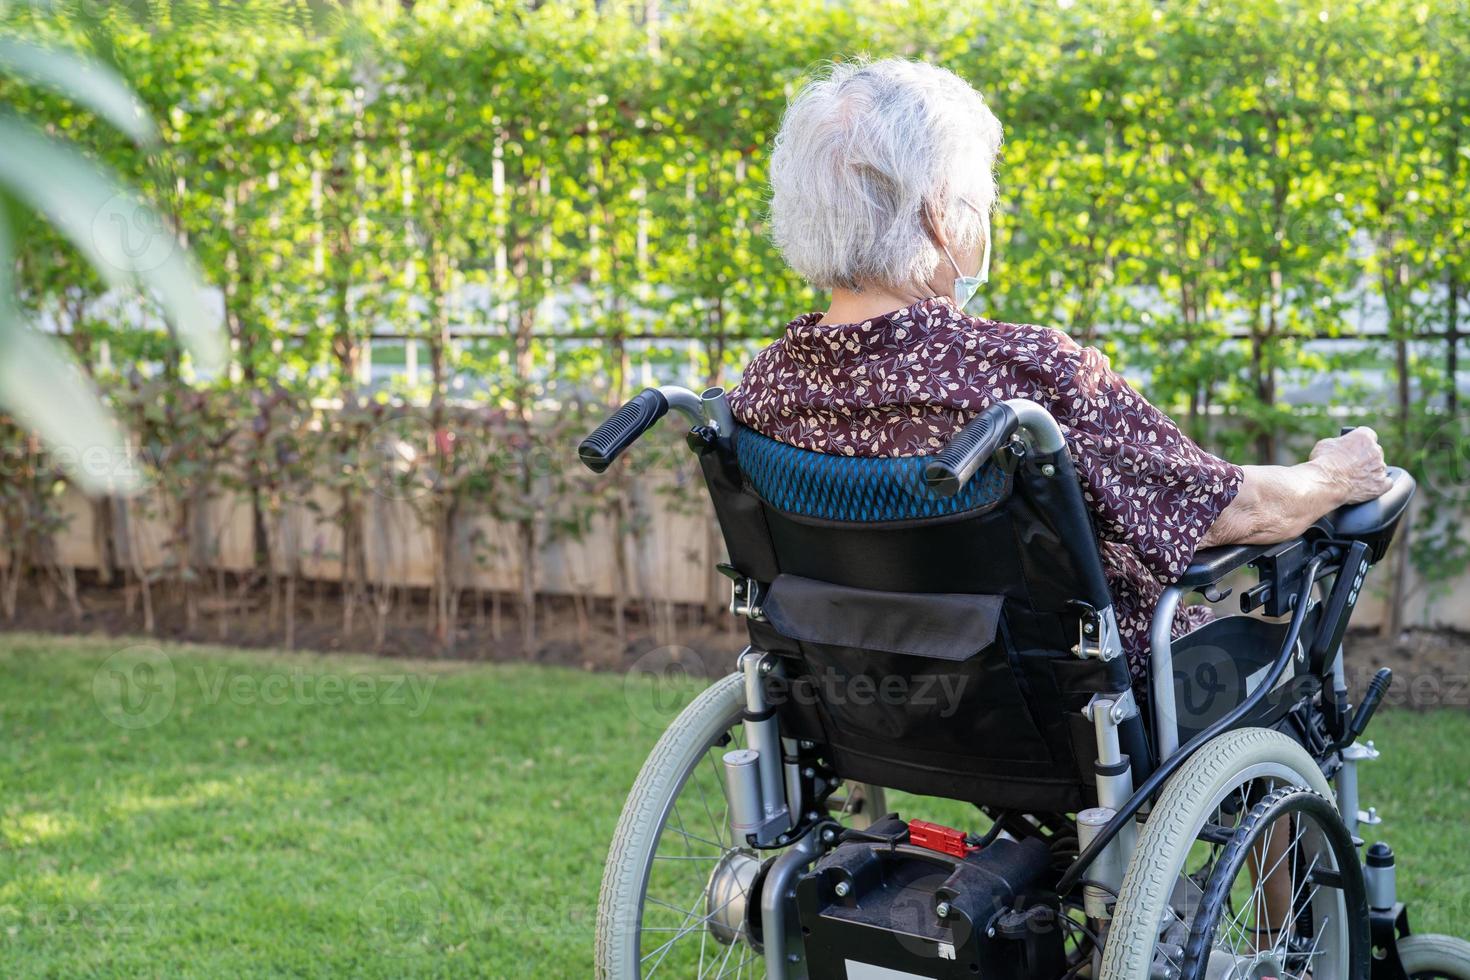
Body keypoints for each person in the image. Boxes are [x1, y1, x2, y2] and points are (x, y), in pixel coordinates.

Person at [728, 58, 1392, 688]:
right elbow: (1225, 509)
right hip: (1077, 704)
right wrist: (1336, 473)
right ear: (937, 213)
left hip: (877, 702)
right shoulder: (1026, 375)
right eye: (979, 200)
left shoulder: (764, 388)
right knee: (1284, 684)